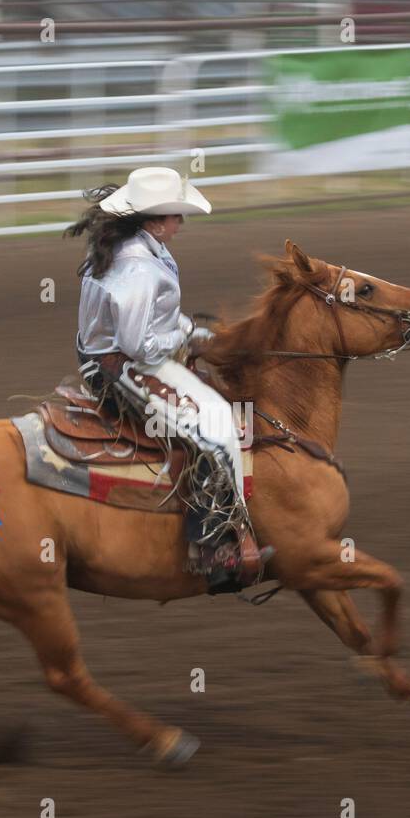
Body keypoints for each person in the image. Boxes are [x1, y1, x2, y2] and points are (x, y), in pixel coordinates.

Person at [66, 166, 272, 594]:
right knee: (215, 429)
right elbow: (141, 344)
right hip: (120, 368)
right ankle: (215, 550)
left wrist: (195, 333)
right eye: (176, 215)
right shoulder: (141, 267)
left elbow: (147, 326)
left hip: (111, 357)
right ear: (156, 219)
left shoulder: (131, 248)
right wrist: (185, 334)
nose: (181, 222)